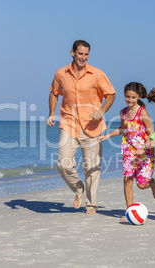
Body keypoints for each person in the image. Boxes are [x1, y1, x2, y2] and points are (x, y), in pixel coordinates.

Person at [47, 40, 116, 214]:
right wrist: (51, 112)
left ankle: (91, 204)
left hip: (92, 126)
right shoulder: (61, 73)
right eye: (80, 54)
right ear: (72, 52)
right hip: (69, 124)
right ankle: (78, 189)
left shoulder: (96, 74)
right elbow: (54, 93)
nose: (83, 58)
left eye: (86, 55)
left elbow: (111, 94)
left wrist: (101, 110)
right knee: (63, 163)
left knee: (92, 167)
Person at [98, 82, 155, 220]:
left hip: (145, 152)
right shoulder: (123, 112)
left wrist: (144, 147)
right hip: (128, 152)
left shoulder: (142, 112)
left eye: (133, 97)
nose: (130, 100)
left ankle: (152, 183)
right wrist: (107, 135)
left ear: (139, 97)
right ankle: (129, 212)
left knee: (141, 184)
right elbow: (122, 128)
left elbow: (151, 132)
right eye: (127, 96)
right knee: (127, 181)